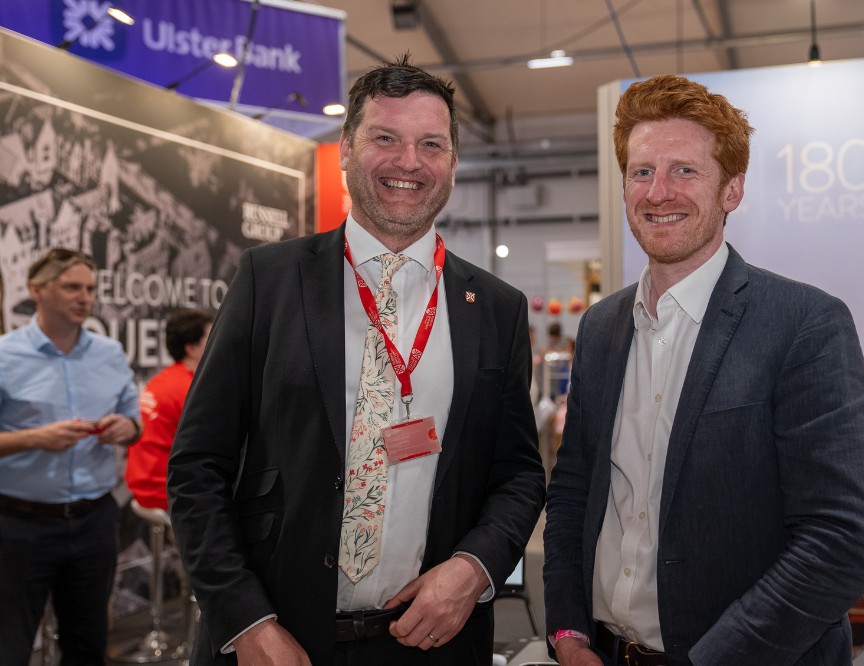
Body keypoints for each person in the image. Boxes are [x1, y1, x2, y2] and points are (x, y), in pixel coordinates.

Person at [166, 54, 545, 665]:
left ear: (452, 161)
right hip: (277, 639)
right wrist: (244, 620)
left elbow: (519, 475)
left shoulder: (496, 306)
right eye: (385, 139)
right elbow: (197, 465)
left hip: (429, 641)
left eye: (431, 144)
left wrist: (476, 569)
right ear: (345, 148)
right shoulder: (269, 280)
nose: (408, 162)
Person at [542, 74, 864, 666]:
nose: (659, 192)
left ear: (733, 190)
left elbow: (838, 544)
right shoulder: (601, 327)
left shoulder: (805, 324)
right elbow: (573, 493)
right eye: (642, 171)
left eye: (685, 171)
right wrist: (568, 631)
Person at [0, 247, 142, 664]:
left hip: (93, 521)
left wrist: (127, 428)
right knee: (10, 646)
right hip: (18, 525)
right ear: (37, 290)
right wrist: (33, 439)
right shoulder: (5, 356)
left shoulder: (109, 353)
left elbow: (135, 422)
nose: (84, 297)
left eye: (90, 289)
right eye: (71, 287)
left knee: (87, 645)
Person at [125, 309, 211, 511]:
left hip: (145, 483)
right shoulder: (190, 389)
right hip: (164, 490)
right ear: (191, 348)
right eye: (211, 336)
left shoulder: (166, 379)